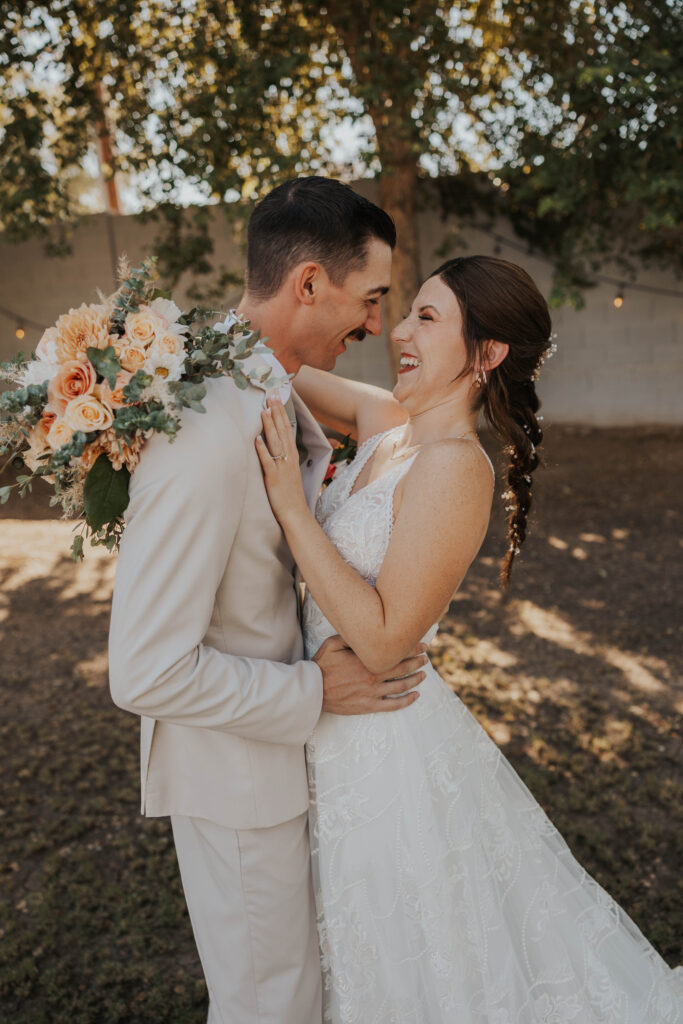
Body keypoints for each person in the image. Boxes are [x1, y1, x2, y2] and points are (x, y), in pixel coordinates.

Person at [257, 255, 683, 1023]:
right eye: (406, 312)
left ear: (486, 354)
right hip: (327, 730)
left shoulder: (456, 468)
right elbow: (268, 373)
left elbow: (387, 639)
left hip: (386, 752)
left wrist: (293, 509)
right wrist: (155, 351)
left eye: (427, 317)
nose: (398, 334)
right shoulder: (389, 425)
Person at [108, 177, 429, 1024]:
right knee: (270, 1008)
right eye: (369, 300)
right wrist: (315, 692)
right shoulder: (207, 431)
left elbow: (386, 418)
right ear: (309, 284)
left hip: (277, 768)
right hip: (236, 785)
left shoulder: (253, 380)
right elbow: (144, 670)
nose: (373, 324)